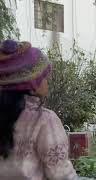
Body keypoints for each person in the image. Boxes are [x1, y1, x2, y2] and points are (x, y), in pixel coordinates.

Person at [0, 40, 77, 179]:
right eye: (45, 77)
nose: (47, 82)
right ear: (33, 83)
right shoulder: (44, 119)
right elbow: (61, 174)